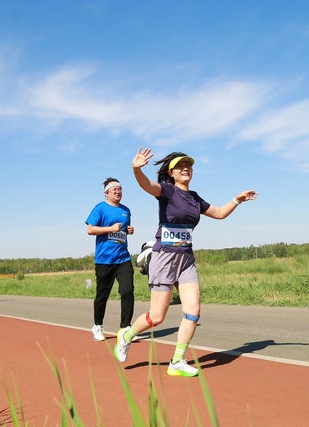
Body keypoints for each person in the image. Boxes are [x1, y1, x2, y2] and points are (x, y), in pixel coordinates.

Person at [114, 148, 257, 377]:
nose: (186, 169)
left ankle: (177, 361)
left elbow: (219, 213)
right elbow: (146, 185)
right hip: (164, 258)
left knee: (193, 311)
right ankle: (127, 335)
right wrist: (136, 169)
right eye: (180, 166)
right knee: (157, 317)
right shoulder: (167, 191)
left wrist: (236, 200)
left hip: (186, 260)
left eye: (188, 165)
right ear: (171, 173)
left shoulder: (194, 198)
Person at [85, 177, 135, 341]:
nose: (118, 192)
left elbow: (122, 232)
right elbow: (90, 230)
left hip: (123, 258)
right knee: (102, 295)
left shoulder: (126, 210)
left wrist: (129, 231)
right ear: (106, 193)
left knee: (127, 290)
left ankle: (125, 328)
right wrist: (110, 228)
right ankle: (97, 326)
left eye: (120, 189)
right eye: (115, 190)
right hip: (104, 260)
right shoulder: (100, 208)